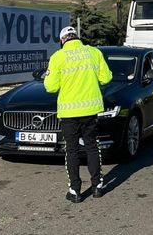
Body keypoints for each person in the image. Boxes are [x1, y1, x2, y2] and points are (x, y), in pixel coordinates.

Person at [44, 26, 113, 203]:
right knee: (92, 147)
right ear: (77, 37)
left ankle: (75, 190)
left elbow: (50, 87)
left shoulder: (57, 57)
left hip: (68, 112)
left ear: (62, 40)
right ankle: (97, 186)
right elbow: (106, 78)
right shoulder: (94, 52)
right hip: (90, 110)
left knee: (72, 150)